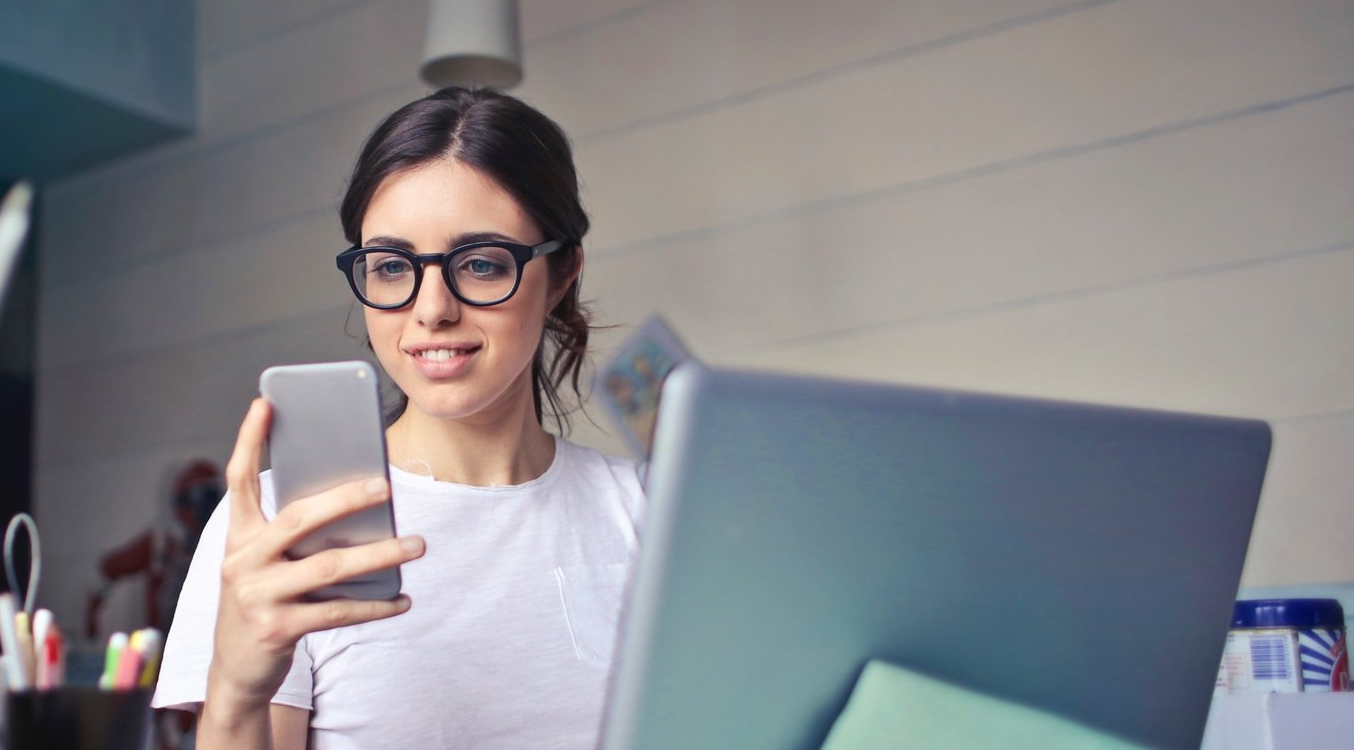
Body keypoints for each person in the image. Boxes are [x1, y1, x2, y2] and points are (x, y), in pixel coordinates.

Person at [151, 88, 646, 750]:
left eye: (479, 263)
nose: (432, 309)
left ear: (560, 274)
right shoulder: (281, 526)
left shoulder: (648, 511)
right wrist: (238, 688)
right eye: (391, 266)